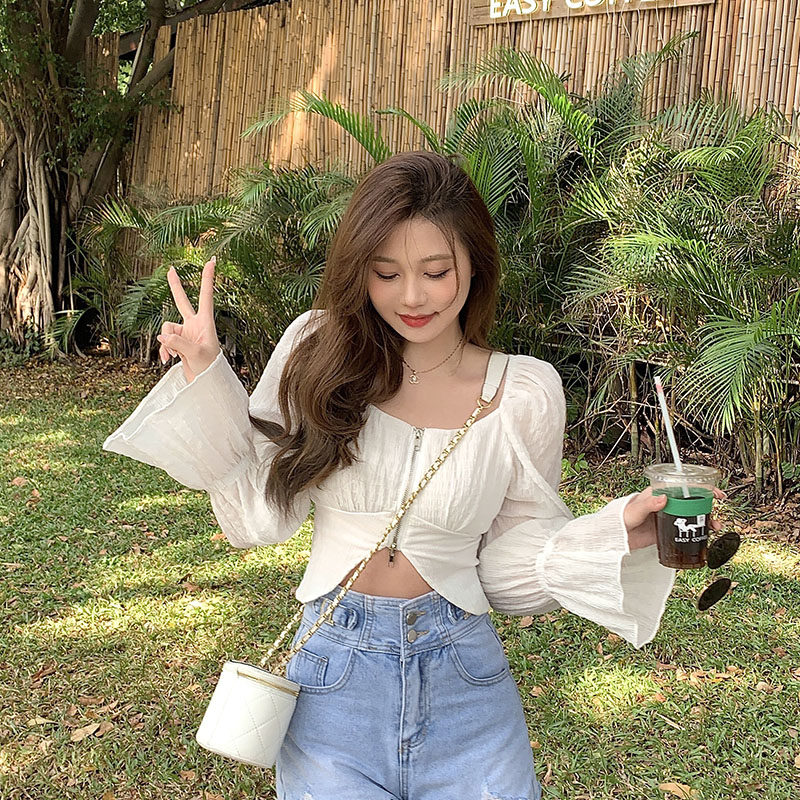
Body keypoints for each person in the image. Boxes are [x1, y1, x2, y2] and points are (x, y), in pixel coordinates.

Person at [102, 151, 723, 800]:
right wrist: (208, 375)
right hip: (330, 682)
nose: (412, 297)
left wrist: (613, 533)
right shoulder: (318, 349)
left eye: (435, 271)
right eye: (386, 272)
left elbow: (506, 568)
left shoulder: (525, 392)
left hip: (466, 686)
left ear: (474, 266)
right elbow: (260, 516)